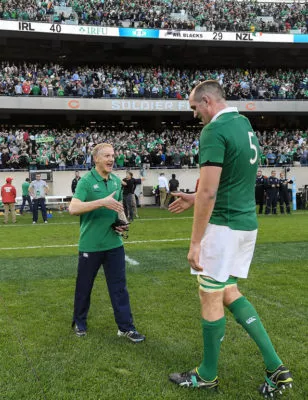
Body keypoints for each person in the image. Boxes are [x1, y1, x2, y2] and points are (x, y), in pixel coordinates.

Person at [168, 81, 292, 397]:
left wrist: (195, 242)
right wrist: (195, 197)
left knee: (209, 295)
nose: (195, 115)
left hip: (223, 227)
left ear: (207, 101)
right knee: (228, 291)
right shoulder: (244, 124)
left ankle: (207, 375)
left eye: (195, 108)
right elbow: (234, 179)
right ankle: (276, 366)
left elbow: (211, 190)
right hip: (246, 224)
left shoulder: (213, 131)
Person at [69, 143, 145, 343]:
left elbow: (119, 209)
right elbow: (73, 208)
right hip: (90, 246)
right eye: (107, 156)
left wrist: (123, 223)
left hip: (114, 245)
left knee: (119, 288)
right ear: (96, 159)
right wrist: (102, 202)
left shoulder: (115, 182)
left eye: (113, 155)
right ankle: (80, 322)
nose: (112, 159)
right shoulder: (85, 181)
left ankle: (126, 328)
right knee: (84, 287)